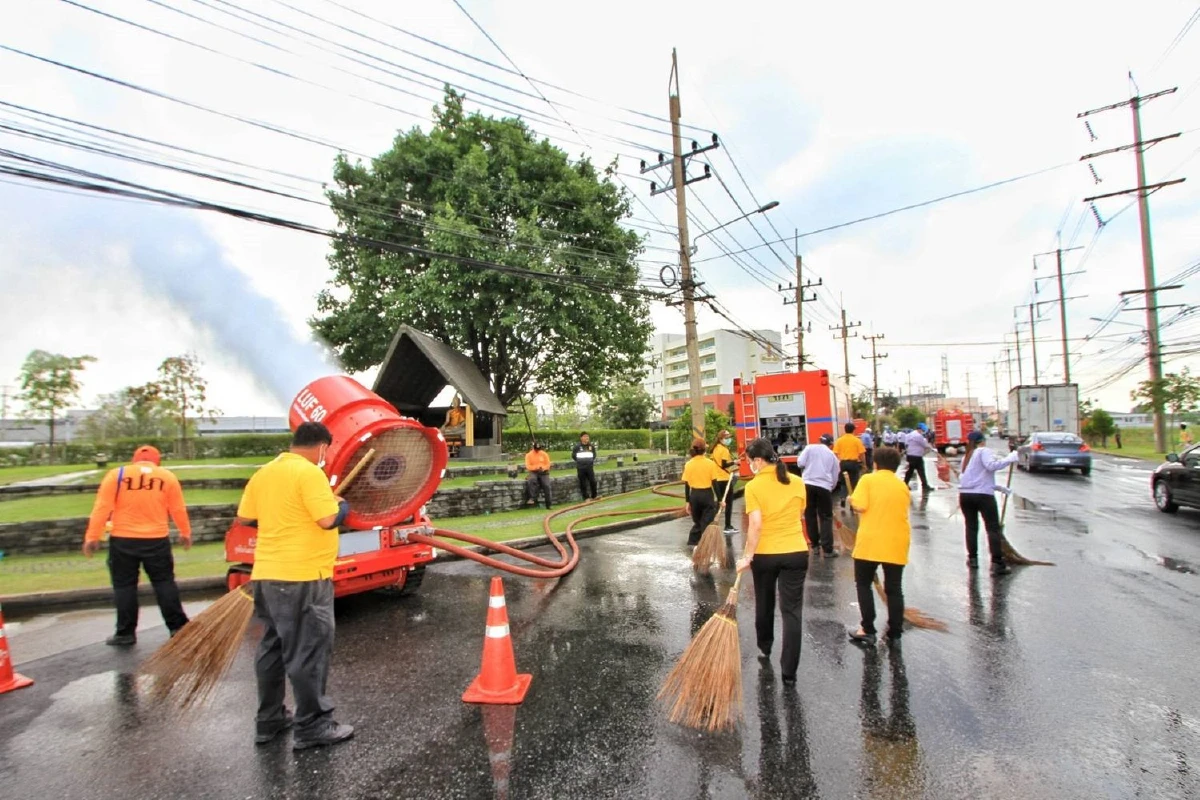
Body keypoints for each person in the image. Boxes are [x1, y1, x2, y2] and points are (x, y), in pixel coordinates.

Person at [234, 422, 354, 749]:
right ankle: (312, 726)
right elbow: (328, 519)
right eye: (325, 453)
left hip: (266, 577)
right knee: (308, 652)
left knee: (272, 648)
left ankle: (269, 720)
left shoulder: (264, 473)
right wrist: (342, 505)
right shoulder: (310, 473)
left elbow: (245, 518)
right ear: (322, 448)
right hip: (303, 578)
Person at [82, 445, 192, 646]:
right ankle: (178, 627)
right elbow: (177, 508)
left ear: (134, 460)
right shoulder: (167, 477)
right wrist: (185, 533)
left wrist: (93, 536)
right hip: (157, 539)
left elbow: (102, 507)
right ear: (157, 461)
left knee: (124, 586)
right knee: (164, 582)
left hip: (123, 539)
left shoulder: (117, 475)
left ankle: (125, 632)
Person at [735, 437, 809, 684]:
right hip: (796, 552)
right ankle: (789, 672)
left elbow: (756, 525)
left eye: (749, 461)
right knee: (792, 612)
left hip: (765, 555)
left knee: (764, 603)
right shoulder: (797, 482)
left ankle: (765, 646)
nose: (749, 466)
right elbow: (799, 514)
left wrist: (747, 556)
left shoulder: (754, 487)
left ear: (758, 460)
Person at [847, 447, 911, 647]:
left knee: (863, 583)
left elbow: (860, 505)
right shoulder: (902, 486)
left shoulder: (867, 480)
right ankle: (895, 632)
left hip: (870, 541)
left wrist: (851, 500)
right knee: (894, 588)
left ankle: (867, 629)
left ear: (875, 464)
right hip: (897, 541)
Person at [957, 429, 1019, 575]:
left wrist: (998, 487)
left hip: (966, 495)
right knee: (992, 528)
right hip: (983, 496)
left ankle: (972, 559)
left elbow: (972, 479)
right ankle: (997, 563)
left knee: (971, 527)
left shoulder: (966, 457)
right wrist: (1011, 458)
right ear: (982, 441)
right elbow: (991, 466)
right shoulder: (983, 451)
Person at [682, 438, 725, 546]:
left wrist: (687, 501)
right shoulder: (710, 464)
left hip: (694, 496)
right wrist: (720, 500)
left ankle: (692, 543)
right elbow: (715, 483)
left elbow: (687, 485)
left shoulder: (688, 464)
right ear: (704, 450)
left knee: (698, 522)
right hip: (706, 495)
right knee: (706, 522)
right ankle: (704, 545)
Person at [710, 429, 738, 533]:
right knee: (728, 503)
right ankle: (728, 525)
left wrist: (733, 462)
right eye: (726, 438)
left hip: (717, 479)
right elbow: (724, 464)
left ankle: (714, 524)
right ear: (721, 438)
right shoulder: (724, 450)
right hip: (724, 479)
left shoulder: (715, 448)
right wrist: (735, 462)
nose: (728, 439)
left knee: (719, 502)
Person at [833, 422, 868, 498]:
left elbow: (835, 453)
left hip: (843, 463)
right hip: (853, 463)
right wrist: (864, 464)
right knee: (854, 481)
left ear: (845, 430)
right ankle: (853, 498)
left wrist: (839, 462)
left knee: (843, 482)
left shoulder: (839, 440)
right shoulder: (857, 440)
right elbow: (862, 454)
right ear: (853, 430)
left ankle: (842, 498)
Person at [902, 427, 939, 493]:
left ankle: (905, 484)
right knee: (920, 471)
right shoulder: (918, 436)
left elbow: (906, 444)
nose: (922, 432)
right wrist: (932, 449)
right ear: (919, 430)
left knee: (911, 470)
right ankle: (925, 486)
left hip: (910, 455)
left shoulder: (909, 435)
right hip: (917, 456)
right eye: (922, 431)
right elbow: (924, 445)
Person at [523, 442, 553, 509]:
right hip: (534, 472)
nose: (538, 450)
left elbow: (548, 464)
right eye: (536, 449)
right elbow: (528, 466)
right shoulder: (528, 455)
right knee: (532, 480)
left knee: (546, 485)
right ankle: (532, 498)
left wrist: (543, 468)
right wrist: (536, 468)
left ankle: (548, 504)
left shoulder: (544, 454)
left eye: (539, 449)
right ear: (533, 448)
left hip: (544, 472)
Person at [571, 432, 598, 500]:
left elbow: (594, 455)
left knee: (593, 481)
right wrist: (580, 461)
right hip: (581, 467)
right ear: (581, 438)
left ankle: (594, 496)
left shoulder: (591, 446)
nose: (587, 438)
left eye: (587, 436)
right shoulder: (577, 447)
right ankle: (586, 497)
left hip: (589, 467)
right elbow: (573, 456)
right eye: (585, 436)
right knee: (583, 482)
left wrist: (590, 461)